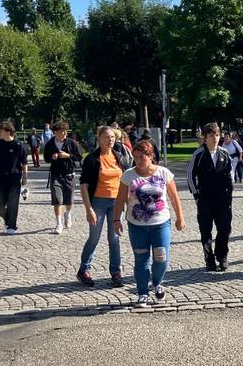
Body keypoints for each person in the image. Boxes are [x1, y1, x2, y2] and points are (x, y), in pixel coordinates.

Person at [114, 139, 186, 306]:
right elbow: (120, 199)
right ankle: (142, 293)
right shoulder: (128, 175)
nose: (139, 161)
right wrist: (116, 219)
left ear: (151, 156)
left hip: (160, 223)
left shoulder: (163, 173)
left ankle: (157, 282)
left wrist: (180, 217)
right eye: (136, 157)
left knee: (161, 257)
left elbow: (174, 197)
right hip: (137, 225)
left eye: (142, 157)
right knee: (141, 259)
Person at [77, 126, 132, 287]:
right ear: (99, 139)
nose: (110, 140)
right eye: (107, 137)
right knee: (94, 238)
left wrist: (128, 203)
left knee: (114, 238)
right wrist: (89, 209)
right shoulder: (92, 159)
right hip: (98, 202)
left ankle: (116, 273)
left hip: (116, 202)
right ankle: (83, 270)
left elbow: (125, 182)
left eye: (112, 137)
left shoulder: (119, 156)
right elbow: (84, 186)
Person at [187, 123, 233, 271]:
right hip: (205, 199)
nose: (215, 138)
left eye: (217, 135)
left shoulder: (224, 153)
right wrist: (196, 195)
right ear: (205, 138)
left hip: (222, 199)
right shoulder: (199, 154)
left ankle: (222, 256)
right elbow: (190, 175)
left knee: (224, 229)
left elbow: (230, 173)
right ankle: (209, 259)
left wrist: (229, 193)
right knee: (206, 232)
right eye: (211, 135)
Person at [0, 121, 28, 234]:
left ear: (8, 132)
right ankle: (7, 219)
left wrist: (25, 176)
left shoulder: (18, 145)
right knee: (1, 205)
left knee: (13, 203)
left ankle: (12, 226)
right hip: (1, 178)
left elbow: (24, 162)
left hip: (15, 177)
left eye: (1, 131)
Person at [43, 121, 83, 234]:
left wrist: (68, 155)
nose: (64, 133)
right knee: (57, 200)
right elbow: (46, 158)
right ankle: (59, 223)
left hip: (69, 175)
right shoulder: (50, 144)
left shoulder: (71, 143)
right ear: (55, 132)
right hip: (55, 175)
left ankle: (68, 214)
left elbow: (79, 156)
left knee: (69, 201)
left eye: (65, 131)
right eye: (62, 131)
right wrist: (52, 157)